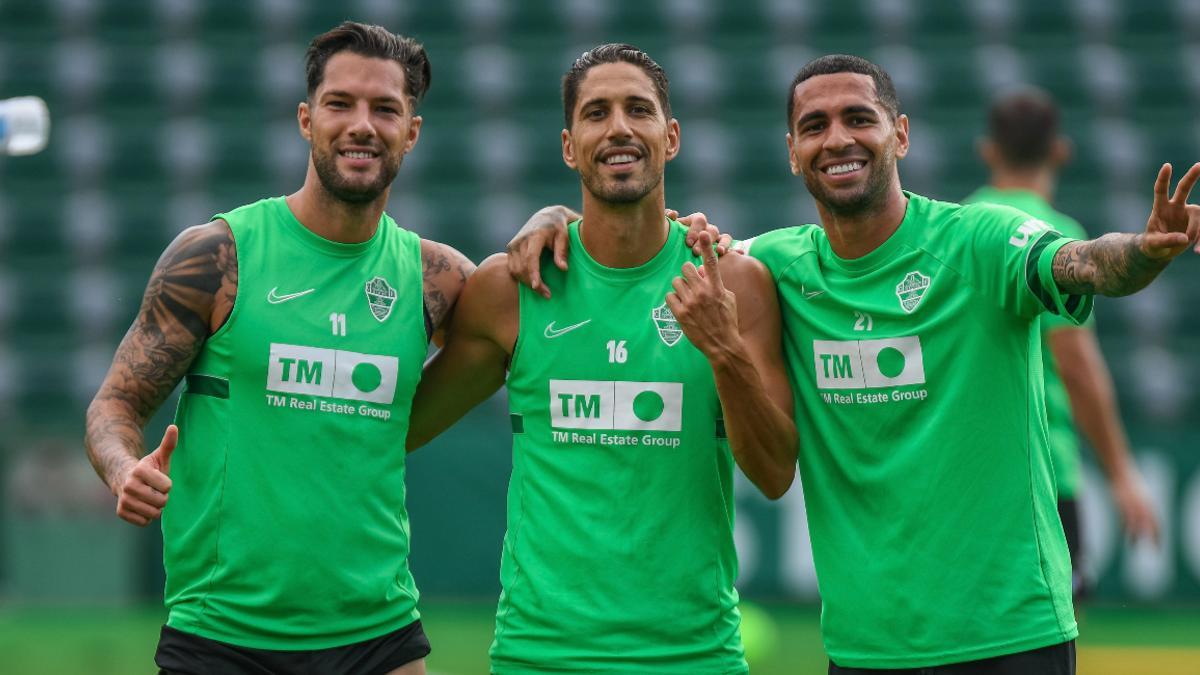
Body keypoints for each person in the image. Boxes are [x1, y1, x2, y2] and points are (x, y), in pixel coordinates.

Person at [507, 54, 1199, 675]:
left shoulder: (978, 242)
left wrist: (1141, 252)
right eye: (814, 125)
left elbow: (1080, 263)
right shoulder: (772, 266)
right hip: (865, 650)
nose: (837, 138)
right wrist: (554, 214)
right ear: (791, 152)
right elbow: (637, 230)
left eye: (858, 118)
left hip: (1008, 636)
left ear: (900, 134)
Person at [84, 22, 480, 675]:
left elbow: (546, 304)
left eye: (385, 108)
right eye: (340, 103)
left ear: (411, 132)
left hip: (379, 632)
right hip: (221, 631)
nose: (362, 124)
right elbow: (113, 404)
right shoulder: (216, 256)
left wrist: (549, 222)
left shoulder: (434, 279)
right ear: (305, 118)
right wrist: (123, 467)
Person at [406, 43, 798, 674]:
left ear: (670, 137)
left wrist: (724, 349)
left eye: (638, 110)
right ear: (569, 146)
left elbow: (776, 474)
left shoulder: (735, 284)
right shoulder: (513, 291)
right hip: (541, 656)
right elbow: (397, 428)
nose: (619, 127)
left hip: (694, 656)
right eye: (597, 113)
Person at [964, 88, 1160, 601]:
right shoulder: (1055, 235)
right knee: (1046, 635)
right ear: (1061, 151)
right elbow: (1077, 367)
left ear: (987, 150)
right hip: (1042, 472)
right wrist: (1120, 473)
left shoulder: (958, 227)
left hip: (968, 471)